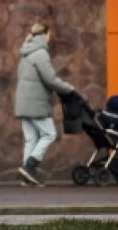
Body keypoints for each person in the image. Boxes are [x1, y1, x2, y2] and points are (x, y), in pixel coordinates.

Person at [14, 20, 80, 186]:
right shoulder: (40, 53)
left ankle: (26, 176)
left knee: (31, 139)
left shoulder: (26, 53)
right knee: (49, 134)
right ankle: (30, 167)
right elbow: (50, 79)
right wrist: (69, 89)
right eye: (49, 35)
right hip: (36, 104)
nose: (49, 38)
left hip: (23, 103)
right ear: (44, 35)